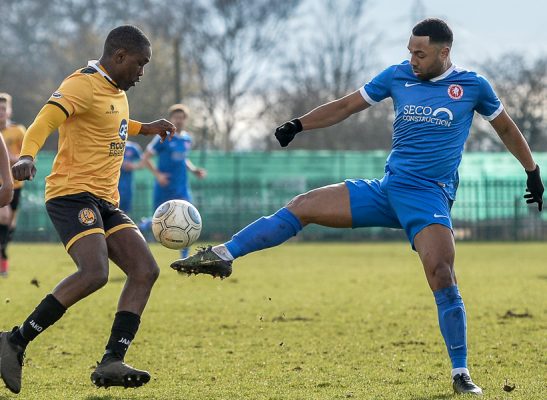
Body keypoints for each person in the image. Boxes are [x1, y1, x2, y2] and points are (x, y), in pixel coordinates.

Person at [170, 18, 544, 396]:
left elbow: (506, 128)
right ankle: (223, 254)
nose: (412, 59)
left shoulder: (473, 86)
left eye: (420, 53)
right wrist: (299, 124)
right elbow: (347, 105)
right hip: (388, 189)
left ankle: (461, 373)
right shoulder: (397, 76)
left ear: (444, 52)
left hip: (428, 196)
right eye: (410, 51)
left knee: (441, 273)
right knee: (303, 205)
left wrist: (531, 171)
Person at [0, 25, 176, 394]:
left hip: (105, 200)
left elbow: (114, 123)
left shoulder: (116, 91)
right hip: (71, 195)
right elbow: (44, 121)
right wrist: (27, 155)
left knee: (145, 269)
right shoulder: (81, 84)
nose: (142, 72)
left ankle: (112, 360)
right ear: (120, 57)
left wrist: (146, 128)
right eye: (140, 64)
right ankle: (14, 341)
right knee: (95, 272)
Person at [140, 103, 206, 257]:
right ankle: (145, 225)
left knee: (188, 219)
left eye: (182, 118)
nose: (179, 120)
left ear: (185, 120)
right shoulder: (163, 137)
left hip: (181, 186)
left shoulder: (187, 139)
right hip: (164, 187)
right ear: (170, 119)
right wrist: (158, 175)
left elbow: (183, 159)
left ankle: (184, 258)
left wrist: (193, 170)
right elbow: (145, 158)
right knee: (160, 220)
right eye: (176, 117)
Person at [0, 93, 24, 276]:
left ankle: (3, 259)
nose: (0, 112)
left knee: (10, 224)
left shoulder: (18, 131)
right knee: (3, 216)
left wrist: (9, 158)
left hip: (15, 185)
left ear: (9, 111)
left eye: (3, 108)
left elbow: (27, 158)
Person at [118, 140, 144, 215]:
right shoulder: (112, 145)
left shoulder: (132, 147)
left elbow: (143, 163)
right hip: (113, 184)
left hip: (127, 185)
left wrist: (132, 166)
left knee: (125, 211)